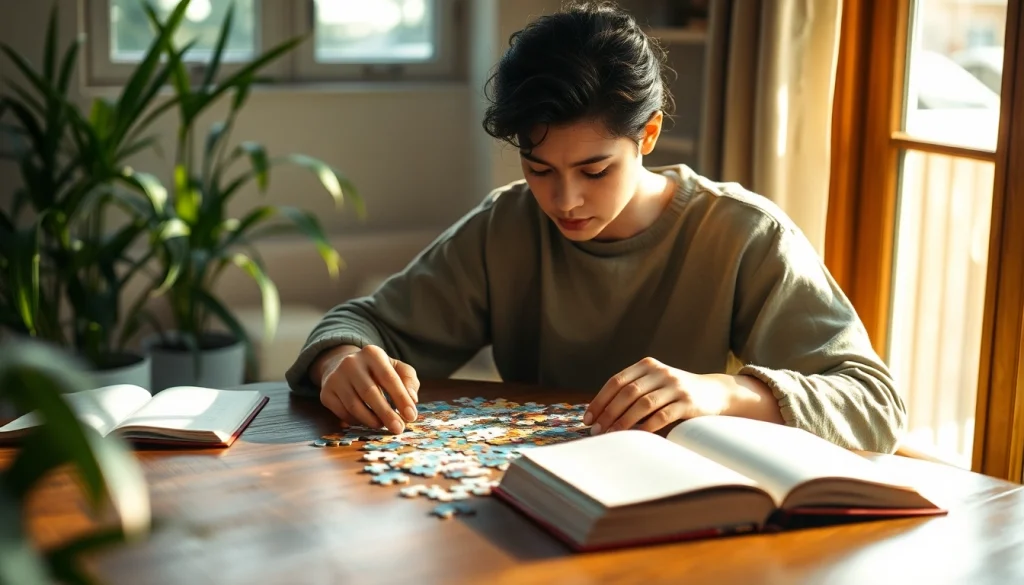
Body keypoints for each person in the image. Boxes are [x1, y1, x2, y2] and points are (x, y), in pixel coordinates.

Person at [285, 1, 907, 453]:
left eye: (594, 169)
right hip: (523, 509)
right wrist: (339, 359)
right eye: (539, 168)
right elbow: (361, 321)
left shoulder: (742, 233)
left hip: (684, 517)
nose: (565, 199)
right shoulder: (506, 224)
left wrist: (720, 394)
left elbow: (876, 403)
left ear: (650, 135)